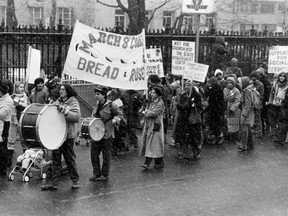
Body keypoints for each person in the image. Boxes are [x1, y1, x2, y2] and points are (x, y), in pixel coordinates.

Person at [41, 84, 81, 190]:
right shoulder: (58, 101)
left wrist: (66, 112)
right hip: (58, 135)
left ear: (68, 91)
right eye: (60, 89)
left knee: (69, 159)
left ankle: (75, 181)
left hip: (68, 135)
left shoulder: (73, 102)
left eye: (63, 89)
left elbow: (76, 117)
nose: (61, 91)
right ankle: (54, 183)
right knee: (56, 159)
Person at [89, 86, 124, 182]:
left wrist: (115, 120)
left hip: (107, 133)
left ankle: (105, 175)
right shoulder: (97, 105)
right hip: (96, 133)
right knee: (94, 154)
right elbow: (93, 116)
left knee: (106, 155)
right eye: (95, 94)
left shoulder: (111, 105)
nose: (96, 96)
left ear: (104, 95)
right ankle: (96, 173)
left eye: (98, 94)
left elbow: (120, 114)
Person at [140, 87, 165, 170]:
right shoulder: (150, 102)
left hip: (155, 125)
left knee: (153, 144)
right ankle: (159, 162)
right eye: (151, 92)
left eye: (154, 93)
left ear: (158, 94)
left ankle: (147, 162)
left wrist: (146, 112)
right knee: (154, 144)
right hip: (149, 125)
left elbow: (153, 113)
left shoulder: (160, 103)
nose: (151, 94)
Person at [7, 81, 29, 167]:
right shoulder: (11, 97)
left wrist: (22, 106)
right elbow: (11, 106)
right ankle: (9, 161)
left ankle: (25, 160)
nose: (22, 88)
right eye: (20, 87)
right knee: (11, 140)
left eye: (23, 87)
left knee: (24, 139)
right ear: (16, 88)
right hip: (13, 120)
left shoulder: (25, 96)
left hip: (22, 120)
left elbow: (27, 106)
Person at [0, 80, 14, 176]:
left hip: (4, 124)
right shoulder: (1, 98)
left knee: (2, 147)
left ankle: (2, 169)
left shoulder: (8, 100)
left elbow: (2, 114)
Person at [237, 77, 254, 151]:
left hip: (246, 112)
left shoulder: (246, 91)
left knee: (244, 129)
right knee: (247, 128)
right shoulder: (248, 90)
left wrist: (243, 115)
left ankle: (243, 145)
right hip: (248, 112)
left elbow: (248, 104)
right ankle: (250, 145)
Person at [223, 76, 241, 141]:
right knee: (227, 122)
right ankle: (228, 135)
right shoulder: (225, 90)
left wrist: (233, 108)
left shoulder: (236, 90)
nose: (229, 84)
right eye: (228, 83)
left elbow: (237, 100)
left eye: (231, 83)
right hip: (226, 107)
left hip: (233, 108)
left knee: (234, 122)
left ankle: (235, 136)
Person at [250, 70, 264, 138]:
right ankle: (255, 130)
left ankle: (259, 132)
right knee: (254, 117)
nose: (253, 78)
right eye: (252, 76)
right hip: (252, 103)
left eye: (255, 76)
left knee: (258, 118)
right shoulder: (251, 84)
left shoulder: (260, 84)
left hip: (257, 103)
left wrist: (257, 101)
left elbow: (261, 95)